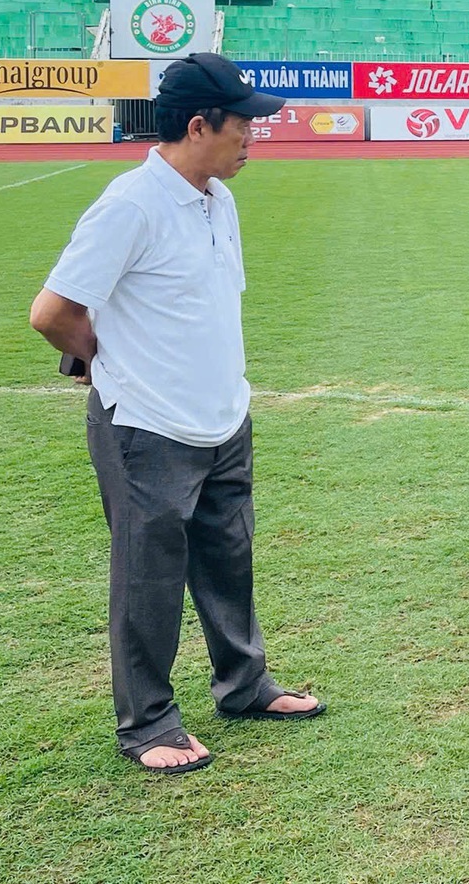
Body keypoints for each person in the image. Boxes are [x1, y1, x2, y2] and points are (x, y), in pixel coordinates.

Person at [29, 53, 324, 775]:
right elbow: (52, 312)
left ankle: (244, 684)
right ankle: (149, 725)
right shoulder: (131, 204)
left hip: (223, 417)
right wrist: (107, 365)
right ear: (199, 126)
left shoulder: (219, 198)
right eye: (244, 123)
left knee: (229, 558)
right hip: (148, 428)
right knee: (149, 577)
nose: (255, 134)